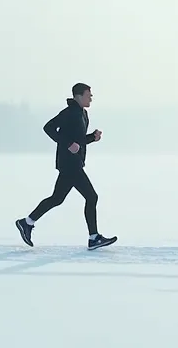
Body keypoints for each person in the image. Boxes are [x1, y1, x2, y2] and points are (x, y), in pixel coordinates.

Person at [15, 83, 117, 250]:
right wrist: (68, 143)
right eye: (88, 94)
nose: (91, 97)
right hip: (70, 164)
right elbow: (48, 128)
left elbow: (78, 139)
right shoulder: (69, 113)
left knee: (57, 198)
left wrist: (92, 138)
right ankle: (94, 238)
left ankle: (26, 223)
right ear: (78, 96)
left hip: (74, 163)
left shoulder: (83, 114)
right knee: (92, 197)